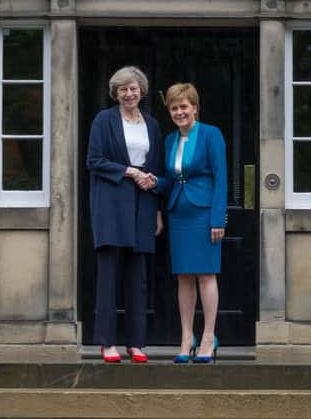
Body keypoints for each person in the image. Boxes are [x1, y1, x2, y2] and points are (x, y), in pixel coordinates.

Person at [142, 83, 227, 364]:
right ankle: (186, 337)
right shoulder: (169, 140)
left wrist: (218, 219)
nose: (179, 112)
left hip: (204, 214)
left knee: (206, 275)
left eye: (184, 107)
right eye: (174, 108)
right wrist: (156, 182)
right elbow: (170, 180)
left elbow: (220, 179)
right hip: (178, 212)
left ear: (195, 108)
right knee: (184, 277)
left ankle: (208, 337)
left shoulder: (211, 135)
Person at [86, 66, 163, 363]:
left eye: (133, 88)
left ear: (141, 91)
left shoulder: (153, 124)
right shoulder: (104, 120)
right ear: (115, 94)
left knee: (137, 277)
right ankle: (107, 343)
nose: (129, 94)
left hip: (143, 204)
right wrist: (129, 171)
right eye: (123, 89)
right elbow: (94, 160)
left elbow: (156, 165)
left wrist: (156, 209)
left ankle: (136, 343)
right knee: (109, 275)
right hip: (111, 203)